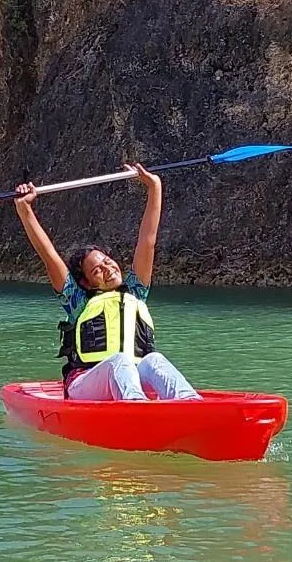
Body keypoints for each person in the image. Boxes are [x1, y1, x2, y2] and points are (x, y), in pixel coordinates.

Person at [14, 163, 199, 401]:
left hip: (129, 377)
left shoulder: (135, 292)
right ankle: (136, 409)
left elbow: (147, 241)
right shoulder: (77, 299)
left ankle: (190, 403)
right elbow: (48, 253)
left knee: (154, 359)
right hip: (85, 383)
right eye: (97, 270)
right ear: (87, 282)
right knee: (119, 359)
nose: (108, 268)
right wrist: (24, 209)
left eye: (108, 261)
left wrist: (154, 187)